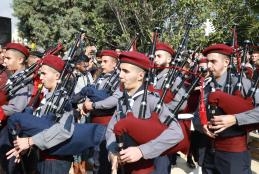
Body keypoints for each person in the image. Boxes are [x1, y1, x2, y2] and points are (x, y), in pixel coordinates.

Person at [106, 51, 183, 174]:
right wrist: (112, 151)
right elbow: (111, 129)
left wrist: (142, 151)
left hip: (148, 167)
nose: (120, 75)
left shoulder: (152, 100)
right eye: (120, 70)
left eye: (126, 71)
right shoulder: (122, 100)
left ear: (140, 76)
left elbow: (177, 132)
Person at [6, 55, 75, 174]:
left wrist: (30, 141)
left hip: (56, 161)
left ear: (57, 76)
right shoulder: (47, 97)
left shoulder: (63, 99)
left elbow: (64, 131)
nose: (41, 77)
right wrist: (23, 147)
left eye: (44, 74)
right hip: (42, 158)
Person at [193, 44, 255, 174]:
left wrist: (235, 119)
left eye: (213, 61)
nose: (208, 65)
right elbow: (197, 115)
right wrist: (203, 125)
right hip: (208, 152)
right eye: (208, 61)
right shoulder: (207, 85)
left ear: (226, 62)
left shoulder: (243, 84)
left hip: (234, 155)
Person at [82, 50, 122, 174]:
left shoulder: (119, 79)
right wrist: (84, 105)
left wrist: (93, 105)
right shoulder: (100, 77)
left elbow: (114, 100)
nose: (102, 65)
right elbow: (91, 92)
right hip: (94, 122)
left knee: (102, 159)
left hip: (106, 123)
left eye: (105, 62)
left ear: (114, 64)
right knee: (95, 158)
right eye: (101, 62)